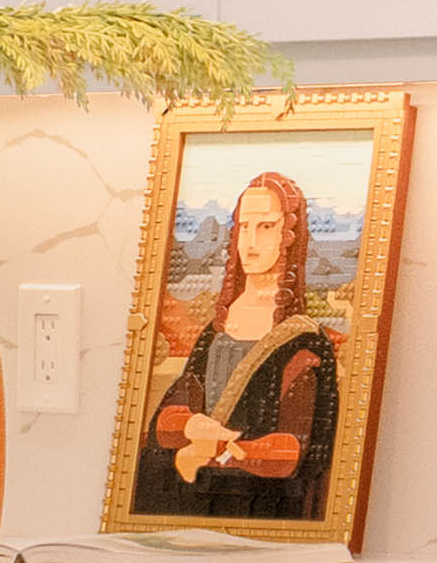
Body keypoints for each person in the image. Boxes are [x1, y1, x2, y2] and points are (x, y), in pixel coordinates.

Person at [127, 165, 346, 522]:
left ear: (289, 233)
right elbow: (166, 418)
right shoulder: (216, 329)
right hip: (195, 496)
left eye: (266, 226)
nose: (251, 241)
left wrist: (218, 454)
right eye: (244, 226)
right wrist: (189, 427)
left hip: (263, 506)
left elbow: (295, 451)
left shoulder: (306, 341)